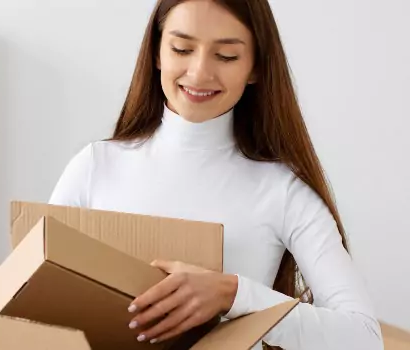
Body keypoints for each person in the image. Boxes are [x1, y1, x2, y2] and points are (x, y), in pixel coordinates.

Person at [48, 0, 384, 349]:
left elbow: (363, 338)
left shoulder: (283, 191)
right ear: (157, 53)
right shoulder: (94, 167)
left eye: (226, 56)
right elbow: (29, 304)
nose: (199, 73)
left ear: (255, 68)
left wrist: (234, 294)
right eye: (181, 48)